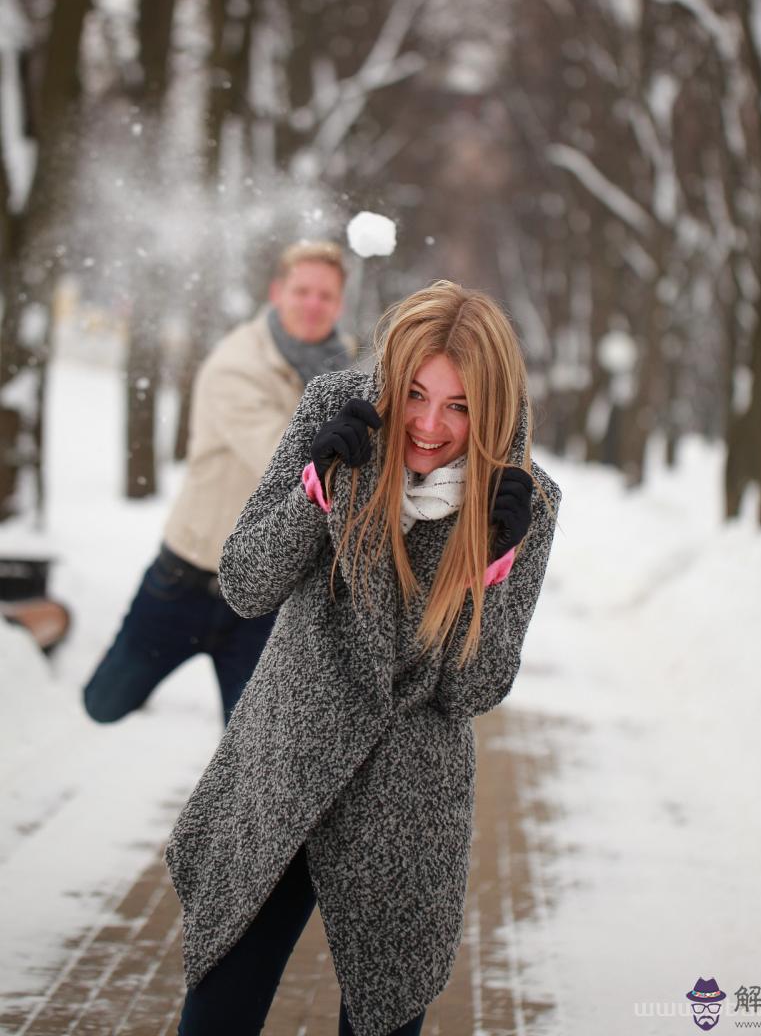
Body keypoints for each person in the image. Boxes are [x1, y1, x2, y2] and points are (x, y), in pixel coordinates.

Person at [164, 279, 562, 1036]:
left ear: (492, 408)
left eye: (459, 407)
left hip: (406, 797)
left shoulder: (523, 499)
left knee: (381, 1017)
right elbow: (245, 583)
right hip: (286, 758)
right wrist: (316, 493)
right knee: (220, 1004)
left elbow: (473, 688)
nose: (429, 426)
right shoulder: (335, 414)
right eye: (415, 394)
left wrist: (488, 573)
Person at [83, 241, 353, 725]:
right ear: (277, 292)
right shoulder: (238, 365)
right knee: (104, 704)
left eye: (326, 295)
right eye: (302, 291)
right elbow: (285, 459)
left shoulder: (342, 373)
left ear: (340, 303)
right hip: (186, 579)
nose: (313, 304)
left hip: (262, 594)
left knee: (251, 749)